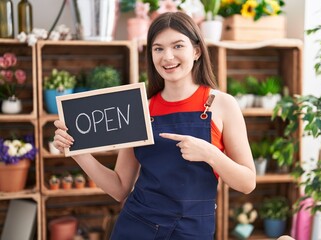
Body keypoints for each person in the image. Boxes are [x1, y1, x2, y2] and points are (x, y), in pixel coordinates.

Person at [53, 11, 256, 240]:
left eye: (178, 46)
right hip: (136, 227)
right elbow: (119, 188)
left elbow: (247, 182)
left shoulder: (222, 105)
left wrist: (210, 154)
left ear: (197, 51)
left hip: (192, 231)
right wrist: (78, 151)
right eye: (158, 48)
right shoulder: (140, 108)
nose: (167, 57)